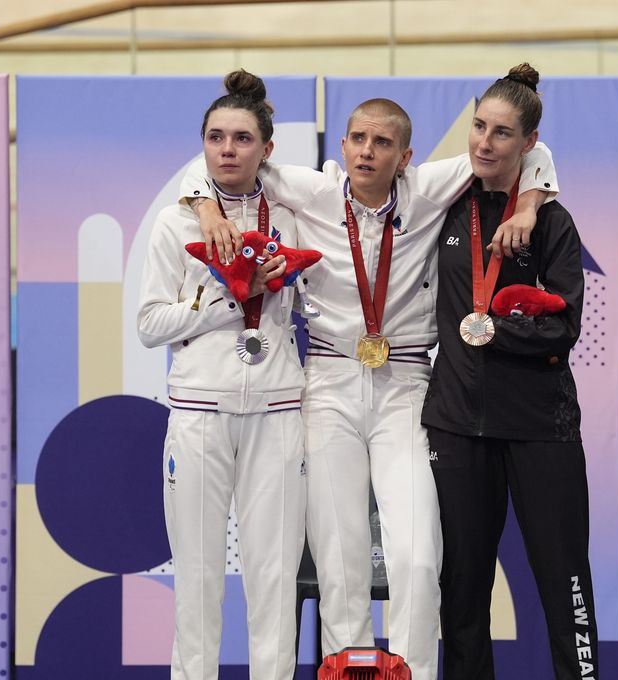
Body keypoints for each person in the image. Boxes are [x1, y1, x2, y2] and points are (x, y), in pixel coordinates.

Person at [182, 96, 558, 680]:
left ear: (405, 156)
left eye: (382, 143)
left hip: (406, 385)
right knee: (340, 561)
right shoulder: (311, 192)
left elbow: (529, 152)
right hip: (328, 384)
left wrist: (530, 206)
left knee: (415, 554)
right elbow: (218, 165)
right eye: (357, 138)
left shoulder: (430, 188)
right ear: (342, 147)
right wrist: (206, 211)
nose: (366, 151)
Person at [421, 64, 600, 680]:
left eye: (501, 133)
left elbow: (563, 328)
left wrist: (496, 328)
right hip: (456, 425)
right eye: (477, 126)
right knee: (463, 591)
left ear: (527, 145)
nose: (484, 143)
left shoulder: (551, 222)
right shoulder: (441, 205)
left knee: (564, 583)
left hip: (539, 427)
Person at [136, 69, 306, 680]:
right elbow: (151, 323)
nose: (227, 150)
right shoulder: (175, 223)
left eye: (241, 138)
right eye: (215, 137)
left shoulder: (294, 214)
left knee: (273, 579)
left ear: (266, 148)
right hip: (200, 414)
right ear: (201, 145)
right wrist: (225, 303)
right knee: (199, 579)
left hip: (279, 413)